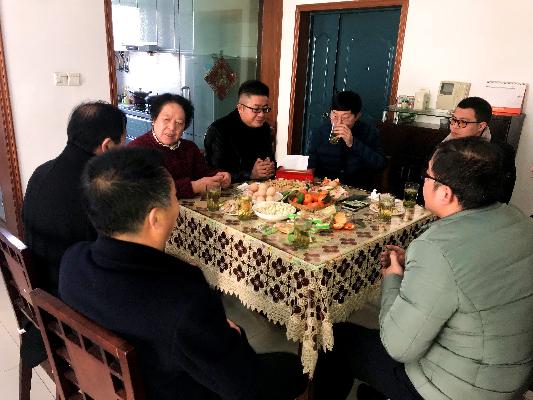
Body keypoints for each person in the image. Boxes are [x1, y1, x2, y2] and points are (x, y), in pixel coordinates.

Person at [58, 147, 307, 400]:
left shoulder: (72, 261)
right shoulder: (184, 302)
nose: (177, 205)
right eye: (175, 197)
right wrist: (233, 334)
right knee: (293, 369)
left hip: (113, 384)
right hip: (177, 391)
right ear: (155, 218)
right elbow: (242, 387)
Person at [314, 138, 533, 400]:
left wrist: (393, 279)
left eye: (427, 176)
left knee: (336, 339)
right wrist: (418, 267)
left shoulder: (435, 247)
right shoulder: (517, 219)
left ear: (445, 193)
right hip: (513, 376)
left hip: (457, 389)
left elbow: (397, 346)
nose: (423, 183)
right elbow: (470, 273)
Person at [21, 101, 126, 368]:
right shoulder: (96, 191)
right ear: (106, 146)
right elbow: (114, 261)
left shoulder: (41, 172)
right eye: (122, 142)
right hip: (74, 313)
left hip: (44, 296)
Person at [129, 93, 231, 198]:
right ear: (154, 120)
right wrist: (193, 187)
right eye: (166, 120)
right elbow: (147, 190)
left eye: (179, 123)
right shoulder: (136, 150)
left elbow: (203, 173)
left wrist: (219, 176)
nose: (172, 127)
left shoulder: (190, 148)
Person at [308, 91, 386, 188]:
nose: (338, 122)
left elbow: (380, 164)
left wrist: (353, 143)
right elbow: (310, 163)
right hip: (326, 187)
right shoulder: (319, 132)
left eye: (345, 117)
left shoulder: (369, 132)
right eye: (335, 116)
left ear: (357, 116)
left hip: (357, 189)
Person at [444, 96, 516, 203]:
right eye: (453, 120)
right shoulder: (443, 144)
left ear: (481, 126)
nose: (454, 126)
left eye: (463, 122)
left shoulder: (501, 153)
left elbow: (501, 194)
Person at [204, 80, 275, 183]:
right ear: (240, 108)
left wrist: (269, 166)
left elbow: (268, 158)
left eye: (265, 109)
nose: (261, 114)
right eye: (256, 109)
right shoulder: (219, 130)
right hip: (228, 189)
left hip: (259, 186)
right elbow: (215, 172)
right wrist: (250, 174)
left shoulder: (264, 128)